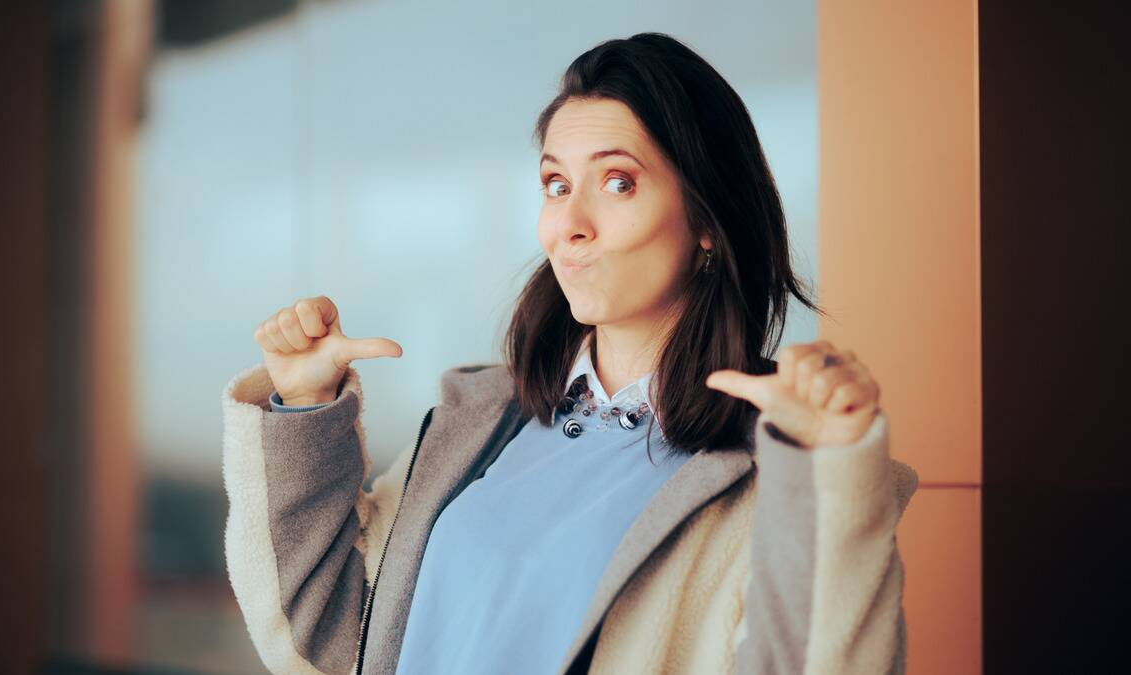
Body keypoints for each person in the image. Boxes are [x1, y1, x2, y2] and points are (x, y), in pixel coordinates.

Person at [221, 32, 918, 675]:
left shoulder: (769, 469)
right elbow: (330, 635)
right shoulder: (482, 422)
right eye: (556, 185)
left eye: (618, 182)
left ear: (707, 218)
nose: (569, 225)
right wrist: (307, 408)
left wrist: (822, 469)